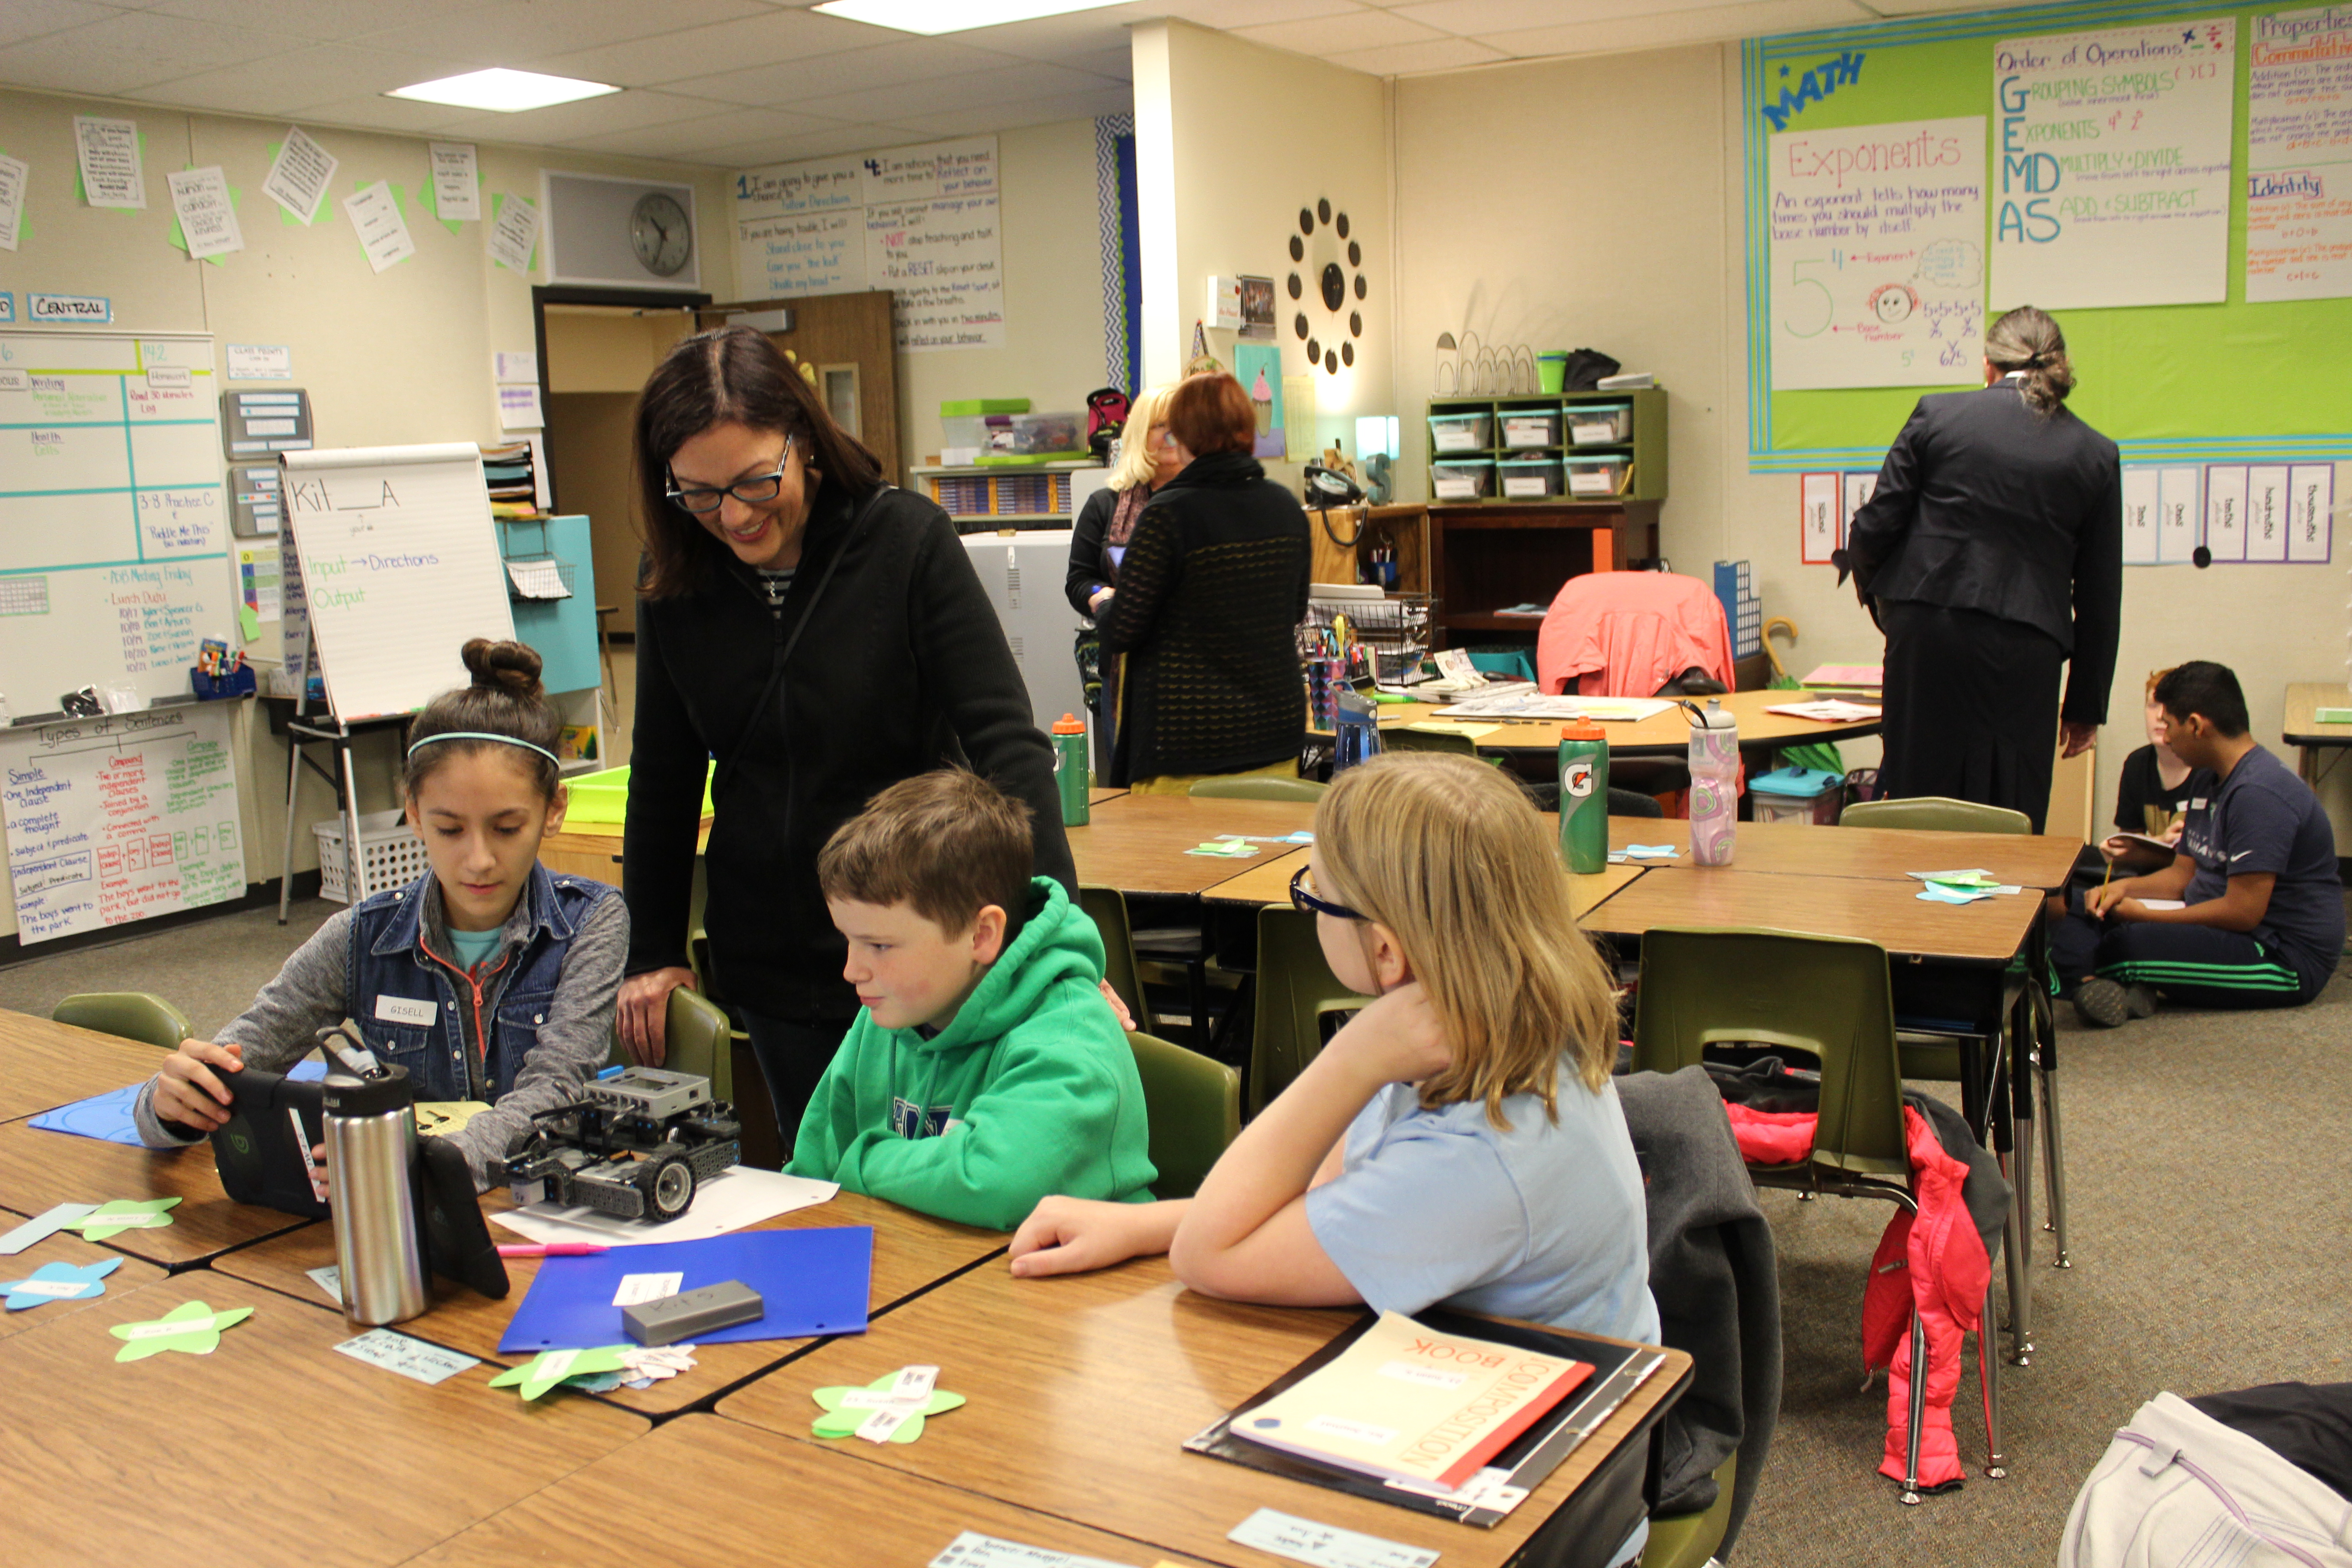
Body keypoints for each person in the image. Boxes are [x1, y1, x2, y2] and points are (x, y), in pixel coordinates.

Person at [1007, 752, 1658, 1561]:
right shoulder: (1480, 1027)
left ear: (1384, 951)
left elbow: (1210, 1254)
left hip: (1546, 1512)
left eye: (1311, 897)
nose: (1307, 914)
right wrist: (1141, 1226)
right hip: (1480, 1407)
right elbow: (1324, 1193)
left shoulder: (1479, 1147)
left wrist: (1346, 1061)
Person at [618, 326, 1074, 1152]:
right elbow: (662, 775)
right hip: (769, 952)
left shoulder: (902, 542)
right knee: (825, 1183)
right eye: (699, 492)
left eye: (757, 481)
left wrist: (1054, 947)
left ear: (804, 438)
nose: (733, 516)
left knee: (936, 1182)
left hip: (921, 947)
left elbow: (1008, 746)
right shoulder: (674, 578)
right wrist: (652, 947)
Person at [133, 640, 628, 1190]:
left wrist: (425, 1165)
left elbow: (556, 1087)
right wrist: (172, 1105)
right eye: (449, 829)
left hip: (523, 1205)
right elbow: (240, 1056)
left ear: (553, 810)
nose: (480, 860)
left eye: (507, 828)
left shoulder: (590, 921)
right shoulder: (360, 937)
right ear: (413, 814)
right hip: (402, 1213)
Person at [786, 769, 1156, 1230]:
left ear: (982, 935)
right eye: (849, 940)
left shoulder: (1069, 1040)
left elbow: (994, 1183)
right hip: (935, 1266)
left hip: (1074, 1290)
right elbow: (811, 1181)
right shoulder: (889, 1014)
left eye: (878, 946)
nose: (851, 971)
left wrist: (864, 1162)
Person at [1842, 305, 2122, 832]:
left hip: (1929, 628)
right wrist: (2085, 705)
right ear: (2056, 366)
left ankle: (1909, 910)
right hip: (2028, 646)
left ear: (1988, 366)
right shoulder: (2095, 454)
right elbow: (2101, 591)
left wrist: (1886, 605)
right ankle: (2003, 909)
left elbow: (1876, 527)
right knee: (2010, 799)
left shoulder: (1938, 415)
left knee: (1917, 785)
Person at [2054, 662, 2342, 1026]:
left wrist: (2152, 918)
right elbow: (2181, 876)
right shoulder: (2210, 778)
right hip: (2218, 925)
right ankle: (2112, 985)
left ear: (2196, 725)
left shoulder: (2259, 794)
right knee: (2075, 906)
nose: (2167, 736)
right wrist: (2119, 888)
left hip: (2280, 954)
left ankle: (2089, 979)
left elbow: (2244, 912)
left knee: (2129, 943)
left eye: (2170, 725)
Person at [1095, 372, 1311, 792]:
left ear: (1185, 436)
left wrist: (1105, 604)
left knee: (1179, 858)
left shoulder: (1168, 515)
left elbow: (1124, 628)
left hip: (1186, 746)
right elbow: (1295, 610)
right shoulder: (1286, 508)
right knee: (1270, 857)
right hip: (1275, 736)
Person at [1067, 384, 1178, 778]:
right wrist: (1102, 596)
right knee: (1133, 785)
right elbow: (1078, 580)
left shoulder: (1201, 505)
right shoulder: (1105, 505)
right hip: (1125, 672)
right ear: (1139, 435)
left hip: (1190, 674)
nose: (1171, 435)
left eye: (1179, 425)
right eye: (1160, 425)